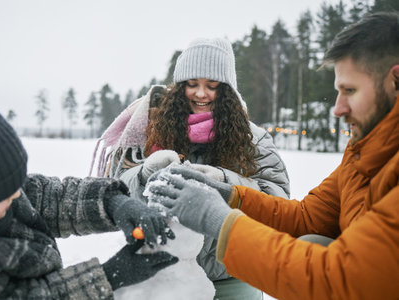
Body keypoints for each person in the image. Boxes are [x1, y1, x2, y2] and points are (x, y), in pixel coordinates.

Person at [148, 11, 399, 300]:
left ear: (395, 81)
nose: (338, 108)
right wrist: (230, 194)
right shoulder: (360, 157)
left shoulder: (254, 138)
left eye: (350, 90)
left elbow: (339, 278)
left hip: (235, 279)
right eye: (338, 91)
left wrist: (217, 218)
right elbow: (306, 218)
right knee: (313, 239)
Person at [91, 38, 290, 299]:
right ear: (179, 87)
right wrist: (143, 174)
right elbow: (116, 193)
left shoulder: (253, 139)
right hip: (165, 276)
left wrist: (225, 182)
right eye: (192, 84)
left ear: (227, 89)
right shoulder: (150, 129)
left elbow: (278, 202)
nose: (200, 93)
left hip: (233, 277)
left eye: (212, 85)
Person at [0, 94, 178, 299]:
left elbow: (54, 198)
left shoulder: (5, 195)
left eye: (16, 183)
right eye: (4, 192)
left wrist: (114, 203)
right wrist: (107, 277)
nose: (17, 194)